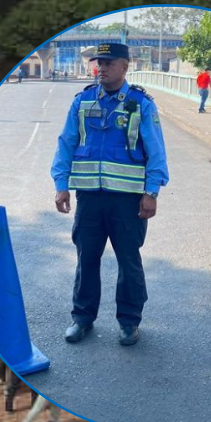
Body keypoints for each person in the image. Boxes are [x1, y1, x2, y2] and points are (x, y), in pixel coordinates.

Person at [50, 42, 169, 347]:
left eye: (108, 63)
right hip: (89, 197)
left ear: (125, 66)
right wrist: (61, 184)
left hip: (128, 200)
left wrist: (151, 192)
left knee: (128, 261)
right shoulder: (83, 100)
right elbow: (66, 142)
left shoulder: (141, 104)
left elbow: (156, 151)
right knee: (86, 258)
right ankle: (82, 318)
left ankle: (129, 322)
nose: (101, 68)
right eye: (98, 63)